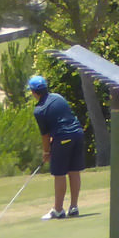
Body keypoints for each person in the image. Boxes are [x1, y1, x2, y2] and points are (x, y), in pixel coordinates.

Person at [28, 74, 85, 220]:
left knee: (59, 174)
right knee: (73, 171)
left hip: (63, 138)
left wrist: (46, 151)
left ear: (34, 92)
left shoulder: (39, 110)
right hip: (78, 134)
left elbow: (45, 135)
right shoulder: (58, 97)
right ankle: (74, 207)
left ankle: (58, 210)